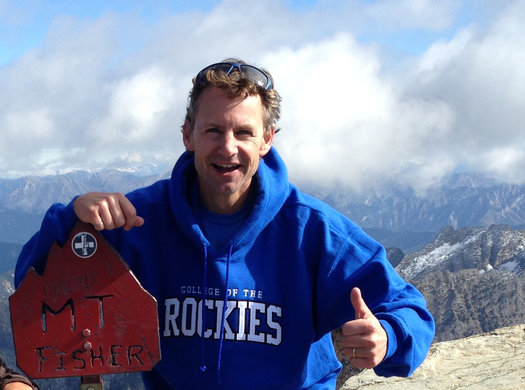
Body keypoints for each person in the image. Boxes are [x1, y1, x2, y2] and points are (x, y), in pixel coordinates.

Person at [15, 59, 434, 389]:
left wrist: (388, 337)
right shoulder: (137, 220)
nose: (228, 147)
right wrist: (71, 220)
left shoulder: (314, 232)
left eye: (244, 132)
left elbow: (410, 310)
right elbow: (33, 288)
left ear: (267, 140)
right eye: (213, 129)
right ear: (188, 135)